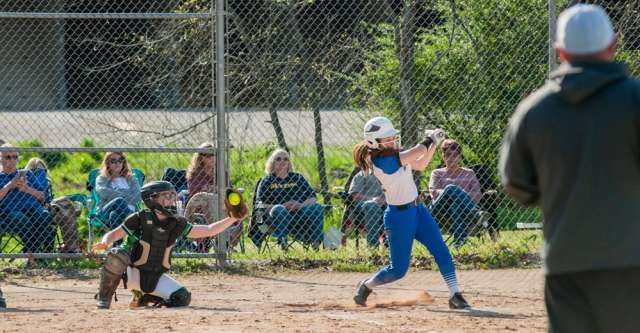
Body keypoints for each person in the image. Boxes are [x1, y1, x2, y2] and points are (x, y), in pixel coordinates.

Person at [499, 4, 640, 331]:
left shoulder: (535, 109)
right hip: (631, 258)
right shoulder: (634, 99)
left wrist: (558, 192)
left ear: (560, 51)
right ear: (613, 45)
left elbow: (516, 183)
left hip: (565, 259)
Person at [351, 117, 470, 309]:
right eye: (386, 138)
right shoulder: (381, 160)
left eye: (392, 137)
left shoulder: (394, 153)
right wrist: (430, 139)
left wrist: (434, 143)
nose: (392, 140)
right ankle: (366, 286)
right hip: (398, 217)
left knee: (441, 249)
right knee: (398, 270)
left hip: (418, 210)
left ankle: (455, 294)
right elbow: (417, 151)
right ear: (374, 141)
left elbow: (421, 164)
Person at [92, 181, 247, 309]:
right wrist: (105, 242)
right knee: (118, 254)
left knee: (182, 298)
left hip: (154, 276)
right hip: (131, 272)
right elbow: (114, 233)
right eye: (166, 196)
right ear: (151, 199)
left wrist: (232, 218)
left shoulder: (176, 223)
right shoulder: (139, 218)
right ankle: (104, 298)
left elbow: (209, 230)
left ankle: (145, 297)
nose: (171, 199)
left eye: (172, 195)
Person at [255, 148, 324, 250]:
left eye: (285, 159)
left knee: (317, 207)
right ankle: (283, 241)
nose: (282, 161)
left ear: (289, 163)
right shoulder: (267, 180)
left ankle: (316, 242)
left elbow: (312, 198)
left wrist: (299, 205)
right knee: (279, 209)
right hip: (278, 217)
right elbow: (259, 205)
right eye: (278, 159)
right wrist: (283, 206)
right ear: (272, 163)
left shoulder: (298, 178)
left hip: (300, 214)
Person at [428, 139, 488, 246]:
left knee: (456, 203)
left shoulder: (469, 173)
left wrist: (459, 196)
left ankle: (459, 242)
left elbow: (477, 194)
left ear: (460, 157)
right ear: (443, 156)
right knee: (451, 188)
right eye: (447, 154)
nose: (451, 158)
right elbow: (433, 191)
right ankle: (476, 214)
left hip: (463, 209)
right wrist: (456, 192)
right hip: (440, 209)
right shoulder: (436, 173)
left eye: (455, 155)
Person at [185, 142, 241, 252]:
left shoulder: (221, 173)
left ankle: (228, 242)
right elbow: (196, 194)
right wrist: (216, 192)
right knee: (209, 202)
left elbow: (229, 191)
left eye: (214, 154)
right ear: (201, 158)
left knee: (238, 208)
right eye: (208, 156)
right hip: (202, 207)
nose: (212, 158)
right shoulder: (196, 174)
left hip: (223, 205)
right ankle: (222, 241)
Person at [0, 144, 54, 255]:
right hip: (10, 211)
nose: (12, 160)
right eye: (8, 157)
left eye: (15, 157)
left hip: (33, 207)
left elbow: (42, 196)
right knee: (21, 219)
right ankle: (34, 254)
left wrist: (26, 189)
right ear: (0, 159)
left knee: (44, 215)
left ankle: (31, 253)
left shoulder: (27, 174)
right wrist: (10, 185)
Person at [26, 157, 82, 253]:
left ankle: (71, 248)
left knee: (65, 204)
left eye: (44, 171)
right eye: (37, 170)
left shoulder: (47, 182)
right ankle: (70, 248)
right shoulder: (24, 181)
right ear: (29, 170)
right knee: (64, 209)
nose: (41, 174)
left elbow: (48, 198)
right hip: (32, 210)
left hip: (48, 207)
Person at [95, 152, 141, 230]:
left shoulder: (131, 178)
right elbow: (103, 192)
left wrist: (116, 192)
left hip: (130, 211)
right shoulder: (102, 178)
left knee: (114, 215)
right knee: (119, 201)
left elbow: (138, 196)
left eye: (120, 160)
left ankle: (117, 242)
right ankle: (135, 225)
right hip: (106, 211)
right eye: (113, 161)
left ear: (123, 162)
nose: (117, 163)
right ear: (107, 163)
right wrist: (127, 194)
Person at [347, 170, 385, 247]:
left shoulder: (388, 173)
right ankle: (373, 246)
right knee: (371, 205)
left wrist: (385, 201)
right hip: (363, 207)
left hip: (385, 205)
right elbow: (354, 196)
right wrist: (373, 199)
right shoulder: (361, 175)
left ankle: (390, 243)